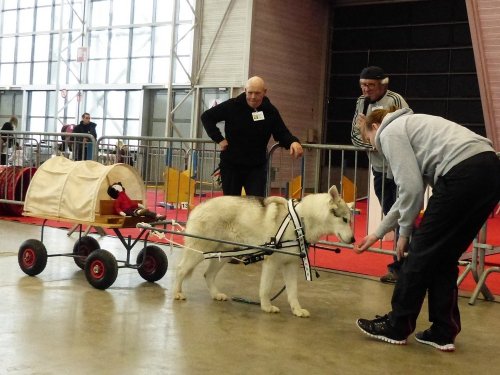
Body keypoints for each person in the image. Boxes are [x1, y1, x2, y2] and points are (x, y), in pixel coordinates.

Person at [354, 107, 500, 352]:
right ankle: (443, 331)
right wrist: (378, 233)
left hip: (462, 174)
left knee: (420, 253)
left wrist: (405, 235)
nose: (374, 147)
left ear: (375, 127)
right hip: (490, 170)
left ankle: (397, 324)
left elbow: (410, 191)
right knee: (443, 255)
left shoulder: (390, 132)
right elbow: (410, 196)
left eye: (369, 140)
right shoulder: (412, 126)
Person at [351, 66, 409, 284]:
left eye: (370, 86)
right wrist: (373, 142)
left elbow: (403, 132)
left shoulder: (396, 100)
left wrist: (376, 141)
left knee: (404, 217)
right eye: (362, 85)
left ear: (383, 84)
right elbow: (355, 136)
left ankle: (402, 268)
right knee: (392, 217)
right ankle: (402, 265)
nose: (366, 90)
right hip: (378, 169)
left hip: (398, 167)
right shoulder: (360, 102)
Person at [201, 76, 303, 197]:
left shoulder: (270, 111)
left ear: (265, 92)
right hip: (231, 166)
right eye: (250, 92)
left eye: (257, 93)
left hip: (256, 168)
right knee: (232, 205)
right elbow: (206, 117)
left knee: (256, 205)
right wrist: (219, 139)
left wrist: (293, 142)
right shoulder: (232, 106)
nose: (253, 97)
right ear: (245, 90)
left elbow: (281, 132)